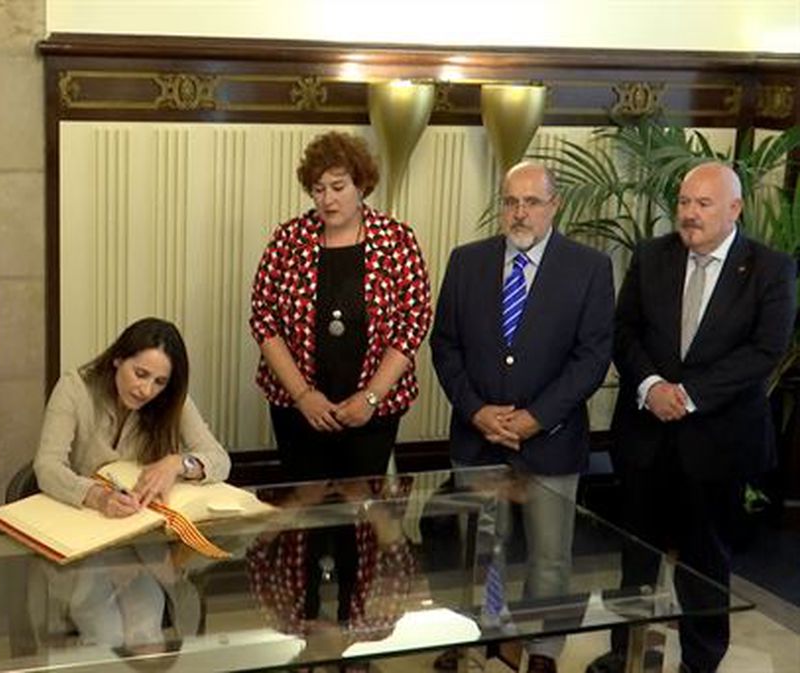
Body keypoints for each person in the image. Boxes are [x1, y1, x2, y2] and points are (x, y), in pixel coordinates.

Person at [589, 162, 796, 673]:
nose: (689, 214)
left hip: (718, 441)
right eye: (684, 203)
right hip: (646, 436)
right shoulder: (651, 256)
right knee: (635, 557)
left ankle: (701, 662)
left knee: (707, 562)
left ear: (735, 209)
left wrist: (689, 395)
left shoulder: (769, 267)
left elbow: (765, 350)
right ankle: (626, 654)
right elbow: (623, 332)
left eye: (703, 204)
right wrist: (651, 386)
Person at [430, 161, 614, 673]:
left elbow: (593, 357)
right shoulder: (466, 262)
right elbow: (445, 346)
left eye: (532, 202)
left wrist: (536, 418)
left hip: (551, 441)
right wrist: (476, 411)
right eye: (511, 201)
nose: (520, 212)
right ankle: (478, 636)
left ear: (554, 206)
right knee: (481, 548)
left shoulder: (590, 268)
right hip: (478, 437)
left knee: (550, 557)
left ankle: (543, 650)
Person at [248, 130, 432, 481]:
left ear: (361, 185)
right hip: (298, 408)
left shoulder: (397, 239)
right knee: (304, 506)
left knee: (362, 509)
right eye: (318, 189)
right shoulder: (288, 239)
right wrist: (303, 396)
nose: (327, 200)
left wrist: (372, 398)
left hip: (374, 409)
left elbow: (414, 323)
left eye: (338, 187)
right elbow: (263, 320)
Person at [34, 317, 230, 644]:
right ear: (118, 359)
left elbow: (220, 460)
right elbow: (47, 466)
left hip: (140, 542)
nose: (146, 389)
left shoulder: (168, 401)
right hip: (86, 538)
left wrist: (177, 463)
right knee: (105, 634)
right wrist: (97, 496)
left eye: (159, 382)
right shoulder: (75, 388)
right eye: (140, 374)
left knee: (146, 633)